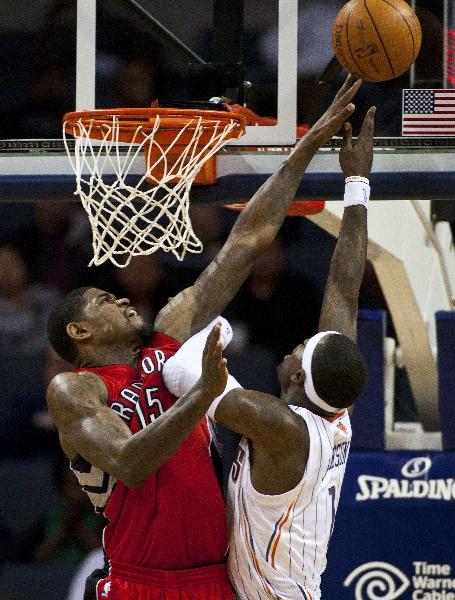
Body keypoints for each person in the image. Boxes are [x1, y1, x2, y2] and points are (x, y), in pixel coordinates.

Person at [46, 75, 362, 600]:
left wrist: (304, 151)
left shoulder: (167, 336)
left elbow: (246, 242)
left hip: (215, 578)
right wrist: (201, 394)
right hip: (139, 580)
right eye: (106, 300)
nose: (123, 299)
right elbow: (129, 462)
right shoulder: (75, 391)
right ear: (78, 332)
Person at [163, 105, 375, 599]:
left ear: (299, 377)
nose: (294, 347)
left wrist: (209, 329)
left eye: (300, 350)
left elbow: (183, 371)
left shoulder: (282, 426)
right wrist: (357, 184)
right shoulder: (332, 413)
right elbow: (344, 290)